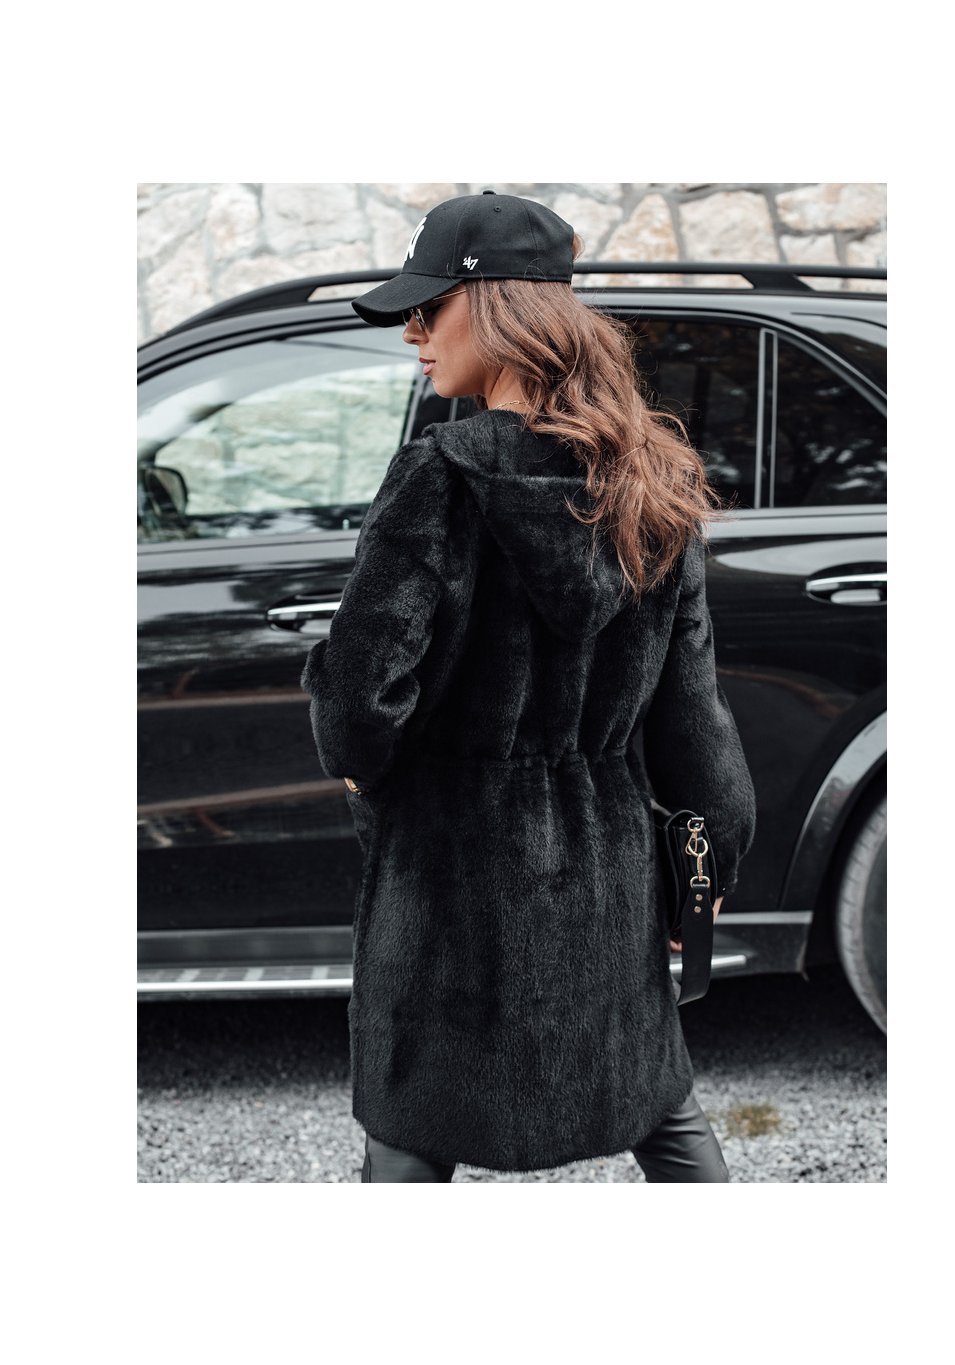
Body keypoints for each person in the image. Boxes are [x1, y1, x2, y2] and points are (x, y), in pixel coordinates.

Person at [300, 190, 757, 1182]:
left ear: (498, 310)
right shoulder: (653, 485)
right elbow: (694, 720)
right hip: (604, 871)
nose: (414, 334)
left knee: (412, 1131)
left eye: (431, 308)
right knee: (660, 1108)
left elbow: (358, 705)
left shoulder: (439, 477)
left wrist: (369, 777)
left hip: (447, 882)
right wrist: (707, 862)